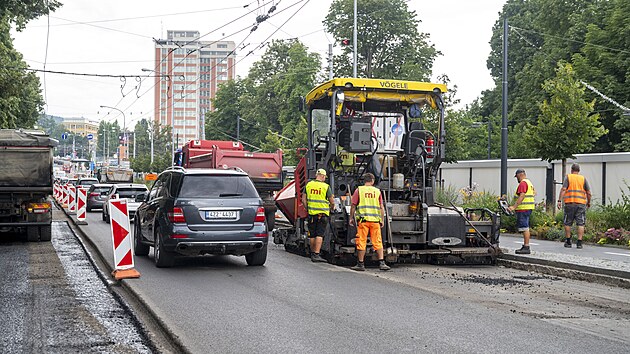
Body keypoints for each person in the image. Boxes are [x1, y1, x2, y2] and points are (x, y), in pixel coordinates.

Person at [349, 173, 391, 271]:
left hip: (363, 221)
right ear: (372, 181)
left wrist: (351, 217)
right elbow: (381, 207)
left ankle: (360, 264)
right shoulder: (377, 191)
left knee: (361, 241)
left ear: (364, 180)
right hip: (375, 221)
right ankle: (381, 263)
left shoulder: (359, 190)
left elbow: (353, 205)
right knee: (377, 241)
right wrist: (382, 219)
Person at [302, 168, 335, 262]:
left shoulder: (308, 185)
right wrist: (331, 208)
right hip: (323, 214)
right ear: (323, 176)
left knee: (312, 234)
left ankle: (312, 253)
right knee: (320, 234)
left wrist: (308, 208)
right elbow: (332, 201)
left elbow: (303, 199)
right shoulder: (326, 187)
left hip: (312, 214)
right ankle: (316, 254)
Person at [558, 163, 592, 249]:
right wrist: (588, 202)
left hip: (569, 203)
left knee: (568, 222)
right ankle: (579, 243)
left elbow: (563, 189)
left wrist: (559, 200)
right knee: (580, 223)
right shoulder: (583, 179)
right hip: (580, 204)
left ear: (571, 170)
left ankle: (568, 241)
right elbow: (588, 192)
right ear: (579, 170)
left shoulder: (568, 177)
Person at [508, 169, 536, 254]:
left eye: (516, 177)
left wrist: (514, 207)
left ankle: (526, 247)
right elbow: (534, 193)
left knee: (524, 228)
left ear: (520, 175)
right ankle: (525, 246)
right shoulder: (529, 182)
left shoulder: (523, 183)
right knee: (525, 227)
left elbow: (522, 196)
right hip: (528, 208)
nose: (517, 179)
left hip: (523, 208)